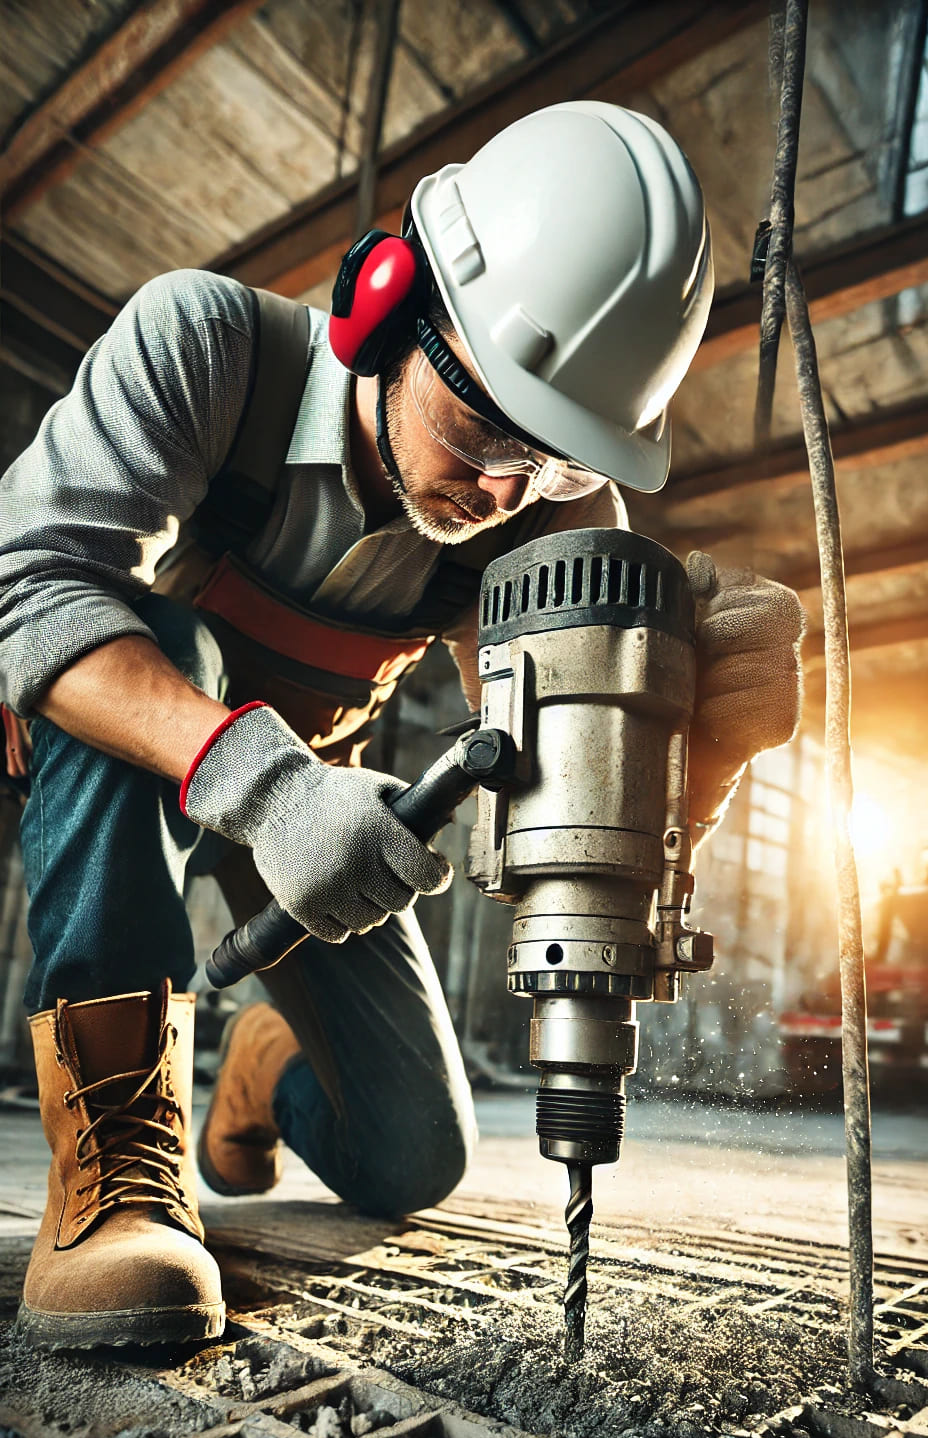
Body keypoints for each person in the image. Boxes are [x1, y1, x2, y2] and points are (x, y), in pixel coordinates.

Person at [0, 102, 804, 1351]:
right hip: (108, 769)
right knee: (168, 638)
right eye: (485, 426)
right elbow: (27, 583)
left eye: (544, 462)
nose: (500, 493)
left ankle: (258, 1062)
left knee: (414, 1155)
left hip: (307, 814)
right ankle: (111, 1171)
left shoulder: (534, 502)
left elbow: (546, 773)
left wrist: (680, 740)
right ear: (386, 302)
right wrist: (252, 777)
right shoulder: (208, 348)